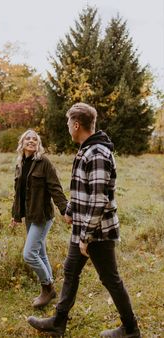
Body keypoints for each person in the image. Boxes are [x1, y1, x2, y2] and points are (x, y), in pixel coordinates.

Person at [27, 103, 141, 337]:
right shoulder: (86, 150)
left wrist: (86, 237)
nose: (67, 127)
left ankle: (131, 329)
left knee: (111, 279)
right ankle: (58, 322)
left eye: (68, 123)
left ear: (76, 124)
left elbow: (99, 200)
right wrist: (70, 209)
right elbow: (84, 191)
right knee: (70, 271)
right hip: (83, 228)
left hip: (97, 232)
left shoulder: (97, 153)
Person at [11, 129, 67, 308]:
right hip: (29, 215)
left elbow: (55, 188)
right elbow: (18, 193)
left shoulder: (44, 163)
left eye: (34, 139)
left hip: (42, 216)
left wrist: (65, 210)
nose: (31, 141)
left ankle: (47, 287)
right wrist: (16, 215)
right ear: (22, 142)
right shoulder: (20, 163)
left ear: (38, 144)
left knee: (29, 254)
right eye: (27, 138)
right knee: (40, 252)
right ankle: (49, 288)